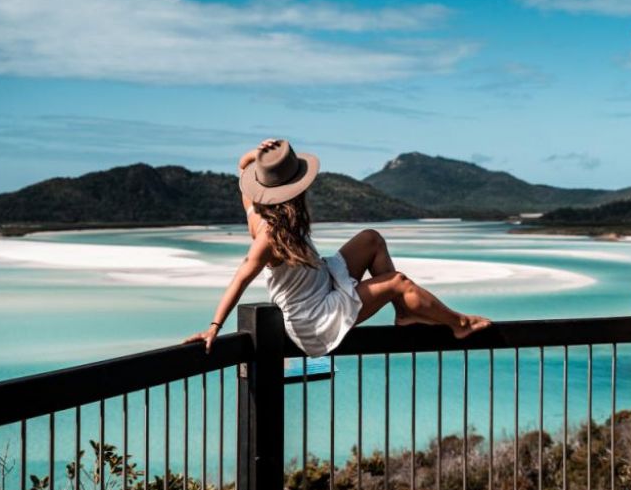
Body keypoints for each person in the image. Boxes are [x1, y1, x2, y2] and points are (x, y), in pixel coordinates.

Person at [182, 138, 492, 356]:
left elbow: (242, 166)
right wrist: (214, 327)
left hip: (325, 281)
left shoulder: (257, 214)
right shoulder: (268, 237)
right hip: (315, 317)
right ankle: (459, 323)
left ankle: (404, 313)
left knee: (371, 237)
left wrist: (263, 153)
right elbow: (240, 279)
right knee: (398, 283)